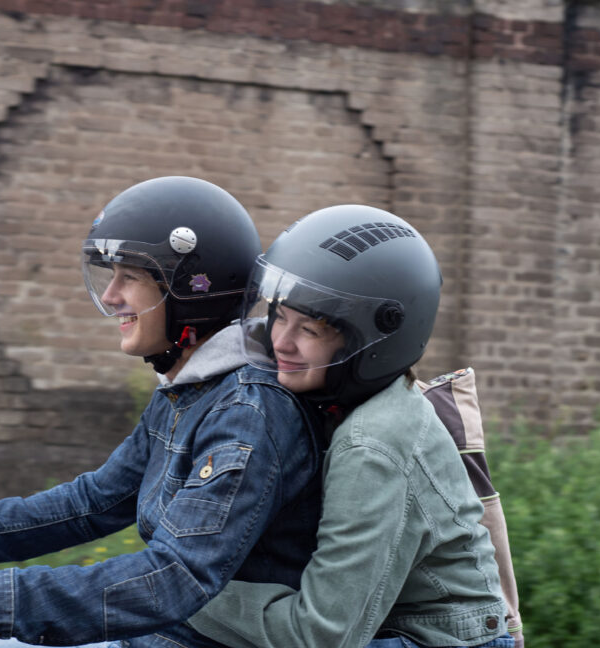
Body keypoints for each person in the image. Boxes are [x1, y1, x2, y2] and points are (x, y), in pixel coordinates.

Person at [0, 177, 325, 648]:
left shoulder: (249, 412)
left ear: (188, 290)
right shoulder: (192, 388)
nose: (109, 296)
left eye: (130, 278)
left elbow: (177, 574)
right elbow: (97, 500)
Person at [186, 204, 513, 648]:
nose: (280, 341)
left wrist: (176, 593)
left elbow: (319, 636)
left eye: (311, 330)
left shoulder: (372, 444)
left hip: (430, 639)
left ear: (373, 344)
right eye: (280, 316)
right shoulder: (339, 398)